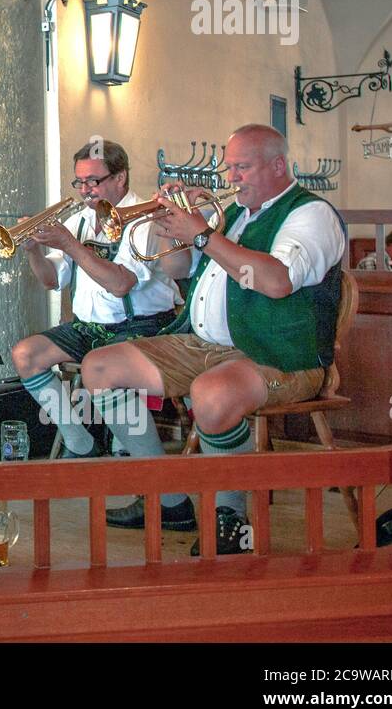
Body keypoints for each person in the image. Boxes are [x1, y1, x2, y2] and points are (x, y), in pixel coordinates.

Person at [82, 124, 346, 555]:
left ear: (278, 165)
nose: (231, 178)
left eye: (242, 167)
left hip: (280, 355)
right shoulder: (239, 216)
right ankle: (167, 495)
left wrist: (204, 234)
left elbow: (277, 281)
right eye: (229, 167)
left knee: (211, 394)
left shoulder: (309, 214)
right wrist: (176, 233)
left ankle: (230, 515)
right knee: (99, 367)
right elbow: (181, 272)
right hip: (203, 345)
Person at [8, 140, 193, 524]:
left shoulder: (142, 219)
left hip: (142, 326)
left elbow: (121, 284)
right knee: (25, 354)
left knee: (100, 367)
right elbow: (50, 281)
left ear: (120, 177)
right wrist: (33, 252)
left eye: (94, 181)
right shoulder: (78, 221)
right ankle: (81, 445)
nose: (85, 191)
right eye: (79, 183)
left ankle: (168, 498)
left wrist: (72, 246)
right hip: (89, 327)